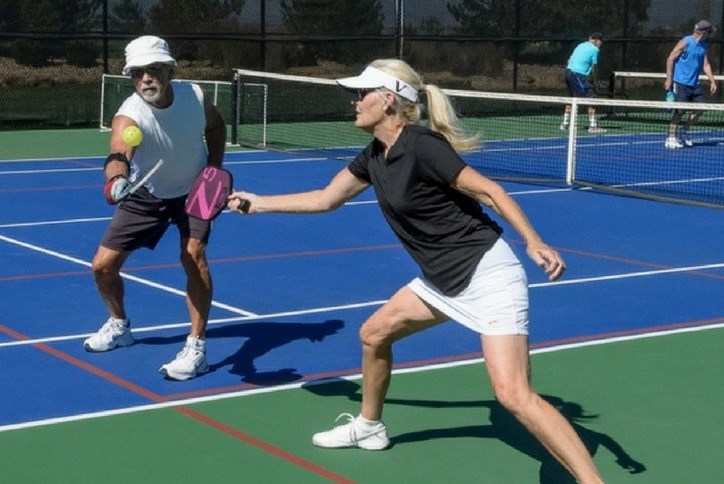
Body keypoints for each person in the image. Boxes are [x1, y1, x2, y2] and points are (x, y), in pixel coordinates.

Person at [227, 59, 604, 483]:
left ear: (388, 100)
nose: (354, 101)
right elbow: (325, 198)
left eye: (362, 93)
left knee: (512, 395)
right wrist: (257, 202)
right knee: (373, 334)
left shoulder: (423, 145)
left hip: (487, 274)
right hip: (442, 281)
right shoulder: (374, 156)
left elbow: (491, 191)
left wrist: (534, 240)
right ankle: (369, 428)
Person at [83, 35, 227, 381]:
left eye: (154, 69)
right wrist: (116, 179)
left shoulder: (195, 97)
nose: (145, 78)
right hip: (147, 195)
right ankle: (120, 324)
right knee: (102, 267)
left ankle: (197, 347)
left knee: (193, 256)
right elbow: (119, 152)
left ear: (170, 70)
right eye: (137, 72)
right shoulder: (129, 115)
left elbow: (217, 126)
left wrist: (215, 169)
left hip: (195, 190)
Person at [664, 20, 718, 149]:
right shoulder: (685, 42)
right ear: (704, 32)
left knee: (701, 108)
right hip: (681, 83)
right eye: (709, 31)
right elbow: (670, 58)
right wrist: (669, 79)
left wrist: (712, 80)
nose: (710, 34)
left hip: (695, 84)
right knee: (679, 111)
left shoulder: (704, 45)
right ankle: (671, 138)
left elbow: (705, 64)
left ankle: (684, 131)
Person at [560, 32, 606, 134]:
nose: (601, 44)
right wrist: (595, 81)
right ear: (596, 40)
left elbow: (569, 59)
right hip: (578, 76)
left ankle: (565, 124)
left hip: (568, 73)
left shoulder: (580, 45)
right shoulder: (595, 49)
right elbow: (595, 68)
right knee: (592, 99)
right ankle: (593, 126)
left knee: (572, 99)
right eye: (600, 42)